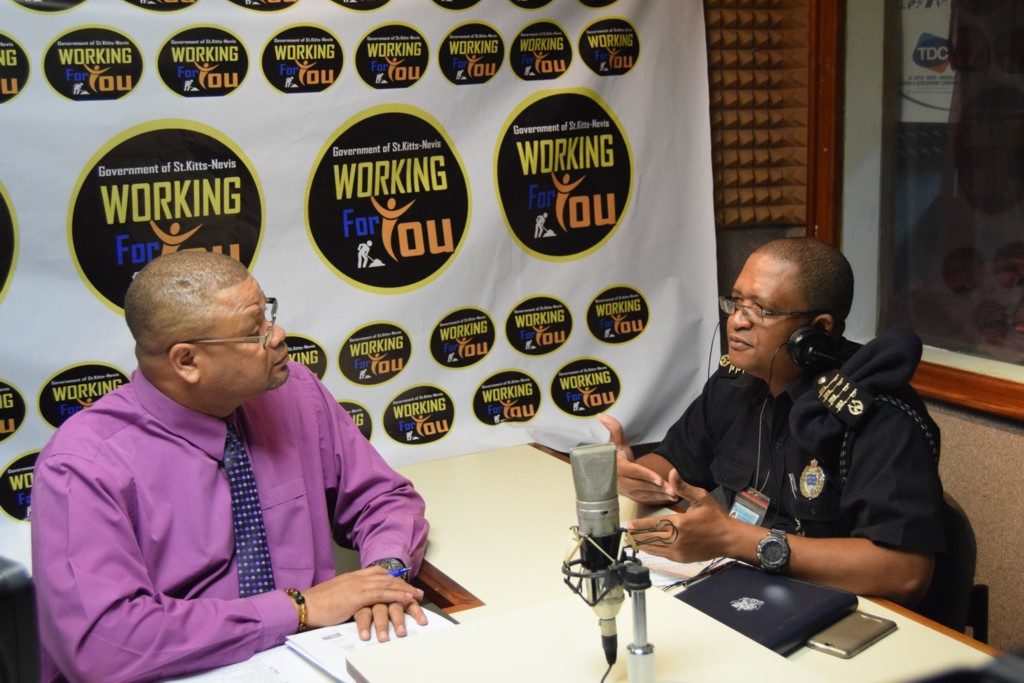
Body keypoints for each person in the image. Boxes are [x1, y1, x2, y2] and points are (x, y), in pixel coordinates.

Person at [31, 251, 430, 682]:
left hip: (316, 660)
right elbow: (106, 644)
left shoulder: (296, 393)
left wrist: (384, 574)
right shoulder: (82, 466)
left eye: (268, 314)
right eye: (253, 330)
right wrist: (297, 608)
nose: (277, 335)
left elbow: (382, 499)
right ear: (187, 361)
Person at [601, 237, 945, 605]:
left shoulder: (878, 414)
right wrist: (636, 477)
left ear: (817, 330)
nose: (737, 321)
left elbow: (906, 572)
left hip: (837, 607)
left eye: (762, 310)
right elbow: (673, 464)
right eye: (736, 303)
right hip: (742, 586)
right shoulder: (733, 385)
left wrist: (735, 539)